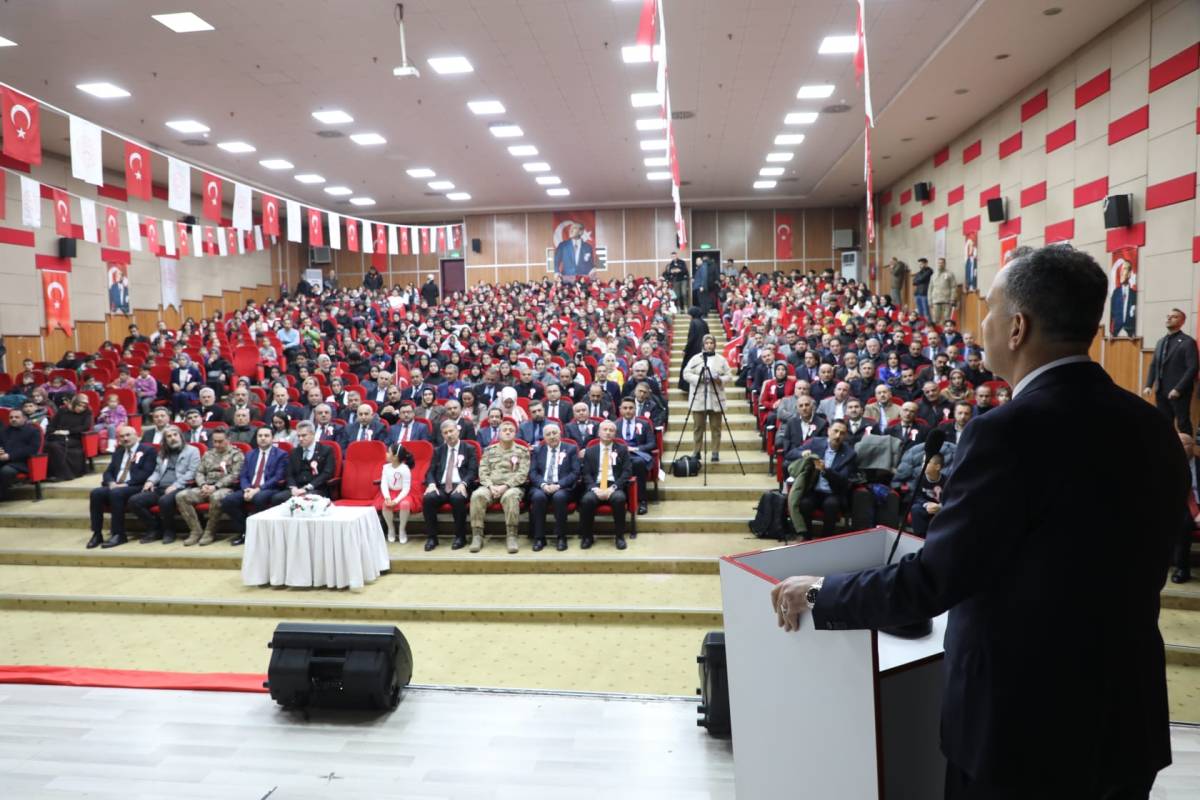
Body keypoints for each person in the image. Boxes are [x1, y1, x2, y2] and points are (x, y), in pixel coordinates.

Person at [771, 245, 1184, 799]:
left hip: (1023, 730)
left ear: (1017, 328)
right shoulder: (1150, 424)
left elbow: (933, 581)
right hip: (1126, 721)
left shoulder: (1006, 433)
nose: (980, 321)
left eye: (989, 308)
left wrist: (821, 593)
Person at [785, 419, 857, 539]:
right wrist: (801, 454)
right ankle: (806, 537)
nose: (838, 436)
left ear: (845, 436)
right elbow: (790, 454)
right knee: (804, 503)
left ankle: (825, 539)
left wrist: (826, 470)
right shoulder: (815, 443)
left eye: (842, 433)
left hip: (833, 492)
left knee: (831, 505)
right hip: (814, 489)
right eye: (835, 431)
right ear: (829, 431)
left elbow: (843, 481)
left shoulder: (849, 454)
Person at [88, 426, 158, 549]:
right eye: (122, 436)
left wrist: (126, 484)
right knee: (96, 493)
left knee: (116, 493)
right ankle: (97, 533)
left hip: (136, 486)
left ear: (136, 435)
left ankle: (119, 534)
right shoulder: (119, 451)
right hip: (117, 485)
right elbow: (108, 472)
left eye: (128, 435)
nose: (125, 438)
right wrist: (110, 483)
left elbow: (147, 472)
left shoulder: (148, 450)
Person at [174, 426, 244, 546]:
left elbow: (234, 475)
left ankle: (210, 531)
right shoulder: (208, 453)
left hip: (225, 488)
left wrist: (215, 486)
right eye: (214, 441)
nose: (217, 444)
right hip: (205, 486)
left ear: (229, 439)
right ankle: (196, 531)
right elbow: (199, 472)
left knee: (216, 497)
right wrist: (203, 485)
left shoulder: (236, 454)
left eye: (220, 441)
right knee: (181, 496)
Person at [129, 426, 200, 544]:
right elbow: (157, 471)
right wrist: (150, 481)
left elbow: (192, 472)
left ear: (180, 436)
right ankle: (155, 528)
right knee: (134, 501)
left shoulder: (192, 450)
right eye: (169, 436)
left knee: (164, 501)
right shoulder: (163, 452)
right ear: (165, 440)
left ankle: (169, 530)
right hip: (160, 487)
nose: (173, 438)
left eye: (175, 435)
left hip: (181, 487)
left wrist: (176, 485)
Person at [221, 426, 289, 546]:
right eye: (260, 436)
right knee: (228, 501)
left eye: (266, 436)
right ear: (256, 438)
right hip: (249, 488)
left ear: (272, 438)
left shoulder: (281, 454)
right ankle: (245, 531)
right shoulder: (250, 454)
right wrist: (247, 488)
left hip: (269, 488)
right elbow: (243, 475)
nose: (263, 438)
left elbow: (278, 477)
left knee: (259, 498)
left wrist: (257, 490)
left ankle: (262, 535)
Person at [469, 419, 530, 553]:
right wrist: (490, 486)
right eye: (505, 430)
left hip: (512, 487)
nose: (508, 432)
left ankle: (512, 535)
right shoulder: (489, 450)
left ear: (515, 434)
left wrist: (506, 486)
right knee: (477, 495)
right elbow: (483, 471)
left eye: (511, 430)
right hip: (490, 487)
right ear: (499, 433)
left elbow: (522, 474)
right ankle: (477, 535)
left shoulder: (523, 451)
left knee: (510, 496)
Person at [422, 418, 479, 552]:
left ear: (457, 431)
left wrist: (464, 483)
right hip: (441, 487)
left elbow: (473, 471)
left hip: (460, 485)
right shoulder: (438, 450)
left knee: (457, 498)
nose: (449, 435)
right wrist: (431, 484)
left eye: (451, 431)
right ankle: (432, 537)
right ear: (442, 435)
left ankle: (460, 537)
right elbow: (430, 471)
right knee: (428, 499)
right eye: (445, 432)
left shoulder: (469, 449)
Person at [578, 419, 633, 550]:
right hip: (596, 485)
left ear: (615, 434)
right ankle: (587, 537)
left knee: (619, 499)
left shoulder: (622, 450)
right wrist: (595, 489)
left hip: (614, 484)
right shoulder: (590, 451)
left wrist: (613, 488)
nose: (608, 433)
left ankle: (619, 537)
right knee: (587, 500)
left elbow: (627, 471)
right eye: (605, 430)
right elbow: (585, 473)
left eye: (611, 430)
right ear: (598, 432)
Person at [1143, 308, 1198, 435]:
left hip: (1179, 392)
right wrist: (1148, 385)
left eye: (1174, 316)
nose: (1169, 318)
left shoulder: (1188, 342)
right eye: (1167, 316)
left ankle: (1187, 453)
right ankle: (1168, 451)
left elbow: (1192, 368)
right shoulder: (1160, 342)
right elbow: (1153, 365)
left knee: (1182, 423)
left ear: (1182, 321)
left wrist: (1178, 389)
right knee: (1164, 423)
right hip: (1161, 391)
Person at [528, 421, 578, 551]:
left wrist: (558, 485)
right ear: (544, 438)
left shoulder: (571, 449)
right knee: (538, 497)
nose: (552, 436)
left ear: (560, 433)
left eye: (554, 433)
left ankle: (561, 537)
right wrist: (543, 484)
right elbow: (532, 473)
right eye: (548, 434)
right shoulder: (538, 450)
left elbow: (575, 472)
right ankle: (539, 537)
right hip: (542, 486)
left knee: (559, 497)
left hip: (562, 487)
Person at [681, 334, 732, 462]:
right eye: (707, 343)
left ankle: (715, 452)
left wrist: (720, 379)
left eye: (711, 343)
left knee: (716, 427)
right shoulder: (695, 359)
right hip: (699, 398)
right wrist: (699, 379)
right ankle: (697, 451)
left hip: (715, 398)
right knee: (698, 427)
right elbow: (686, 373)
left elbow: (729, 375)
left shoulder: (721, 359)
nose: (709, 345)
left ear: (714, 344)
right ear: (703, 345)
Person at [616, 398, 655, 514]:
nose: (628, 411)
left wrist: (636, 448)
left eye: (631, 408)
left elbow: (652, 443)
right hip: (620, 456)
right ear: (620, 410)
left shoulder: (644, 424)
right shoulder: (614, 424)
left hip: (638, 455)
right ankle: (623, 499)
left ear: (635, 409)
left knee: (638, 463)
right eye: (625, 408)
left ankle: (642, 500)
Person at [45, 394, 93, 482]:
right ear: (74, 403)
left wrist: (68, 431)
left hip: (74, 438)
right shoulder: (62, 411)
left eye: (84, 406)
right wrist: (54, 431)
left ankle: (65, 474)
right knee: (47, 444)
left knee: (54, 446)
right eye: (79, 405)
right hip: (57, 436)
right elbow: (52, 424)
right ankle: (50, 474)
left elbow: (85, 427)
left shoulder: (87, 412)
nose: (81, 408)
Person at [285, 422, 336, 498]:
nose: (300, 439)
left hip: (316, 488)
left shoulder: (326, 450)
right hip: (297, 488)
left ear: (313, 434)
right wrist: (293, 487)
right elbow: (289, 473)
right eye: (298, 436)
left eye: (304, 435)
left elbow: (327, 473)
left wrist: (308, 487)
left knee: (306, 498)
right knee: (277, 498)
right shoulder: (294, 452)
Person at [1174, 432, 1198, 584]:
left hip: (1198, 503)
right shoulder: (1169, 466)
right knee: (1183, 524)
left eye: (1184, 445)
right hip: (1182, 506)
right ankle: (1182, 568)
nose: (1180, 449)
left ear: (1192, 447)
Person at [379, 442, 416, 544]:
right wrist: (387, 497)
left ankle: (402, 529)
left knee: (404, 504)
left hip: (403, 494)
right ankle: (391, 528)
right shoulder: (386, 467)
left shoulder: (405, 469)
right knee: (386, 505)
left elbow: (406, 488)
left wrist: (396, 500)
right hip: (390, 492)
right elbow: (384, 483)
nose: (386, 454)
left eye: (388, 452)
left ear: (395, 456)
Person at [0, 409, 40, 500]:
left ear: (24, 418)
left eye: (17, 417)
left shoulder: (33, 431)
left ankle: (2, 495)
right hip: (3, 459)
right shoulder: (4, 431)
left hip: (21, 463)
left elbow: (32, 450)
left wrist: (10, 456)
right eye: (11, 417)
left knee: (6, 471)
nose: (13, 419)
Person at [907, 450, 946, 537]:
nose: (923, 464)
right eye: (923, 461)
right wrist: (926, 504)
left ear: (937, 467)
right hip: (925, 508)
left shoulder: (946, 481)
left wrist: (940, 506)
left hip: (940, 508)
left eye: (927, 462)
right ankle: (921, 537)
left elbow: (950, 497)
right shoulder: (919, 479)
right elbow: (915, 496)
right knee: (915, 509)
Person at [1110, 257, 1137, 337]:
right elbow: (1112, 314)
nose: (1121, 272)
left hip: (1130, 334)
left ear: (1129, 274)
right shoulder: (1115, 293)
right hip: (1116, 333)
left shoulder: (1134, 295)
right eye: (1121, 269)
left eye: (1124, 269)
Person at [929, 257, 959, 325]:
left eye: (942, 263)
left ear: (945, 264)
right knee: (935, 320)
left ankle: (945, 333)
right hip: (936, 300)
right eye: (939, 263)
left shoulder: (950, 274)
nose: (940, 264)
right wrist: (930, 300)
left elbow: (953, 287)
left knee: (947, 320)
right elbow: (930, 288)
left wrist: (952, 298)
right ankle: (937, 334)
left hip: (947, 300)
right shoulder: (933, 275)